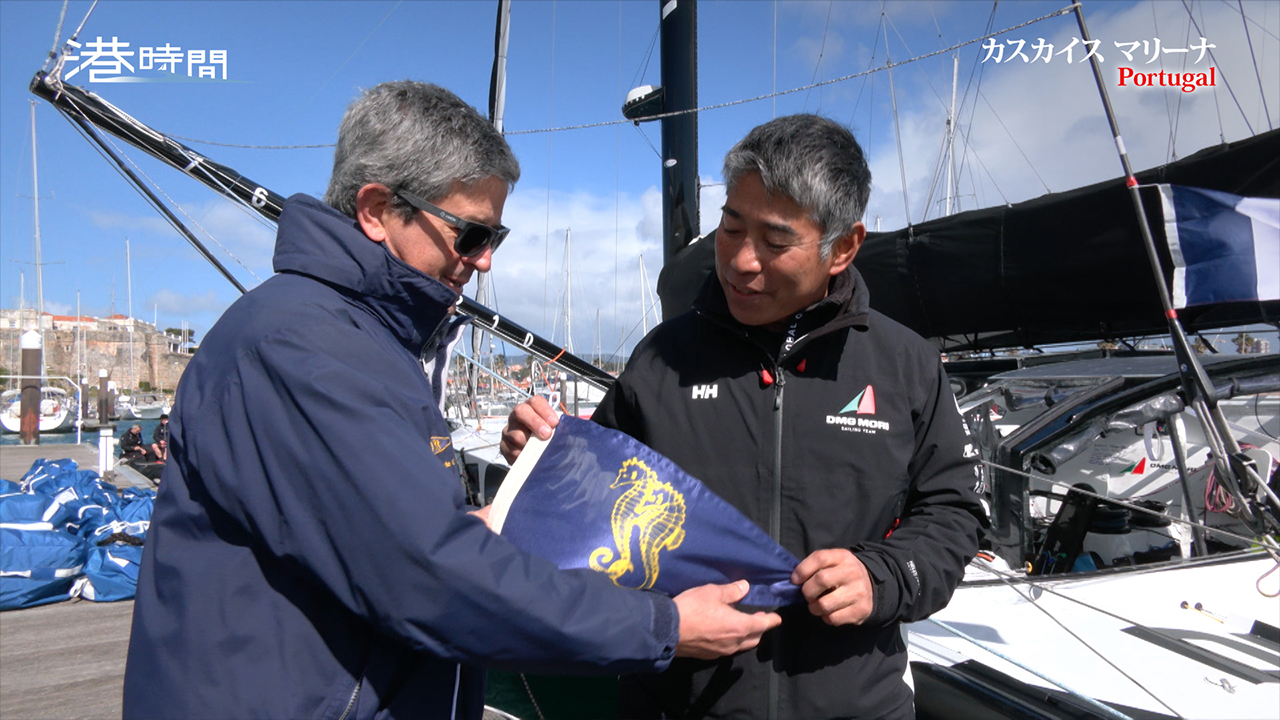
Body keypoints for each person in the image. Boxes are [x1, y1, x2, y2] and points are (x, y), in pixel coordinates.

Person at [123, 81, 779, 720]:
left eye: (495, 238)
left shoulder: (357, 341)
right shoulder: (304, 348)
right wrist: (662, 625)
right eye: (471, 235)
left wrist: (490, 521)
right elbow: (424, 578)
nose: (484, 261)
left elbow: (369, 535)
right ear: (377, 210)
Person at [502, 114, 986, 719]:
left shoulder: (906, 364)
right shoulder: (662, 357)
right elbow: (592, 495)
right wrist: (539, 453)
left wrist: (883, 577)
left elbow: (953, 512)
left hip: (858, 703)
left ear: (843, 247)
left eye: (776, 242)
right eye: (731, 227)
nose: (741, 261)